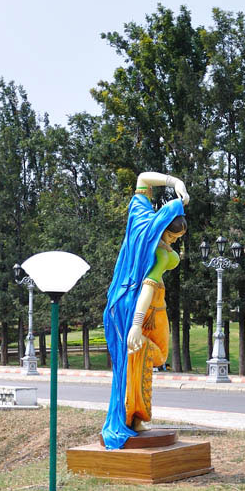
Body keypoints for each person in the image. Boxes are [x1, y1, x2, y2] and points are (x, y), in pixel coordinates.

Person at [101, 172, 189, 450]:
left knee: (128, 362)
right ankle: (136, 415)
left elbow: (142, 179)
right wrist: (137, 326)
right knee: (153, 354)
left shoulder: (139, 219)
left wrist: (175, 184)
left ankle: (131, 415)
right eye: (173, 237)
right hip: (145, 309)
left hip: (118, 302)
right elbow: (149, 288)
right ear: (162, 229)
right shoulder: (163, 255)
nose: (174, 242)